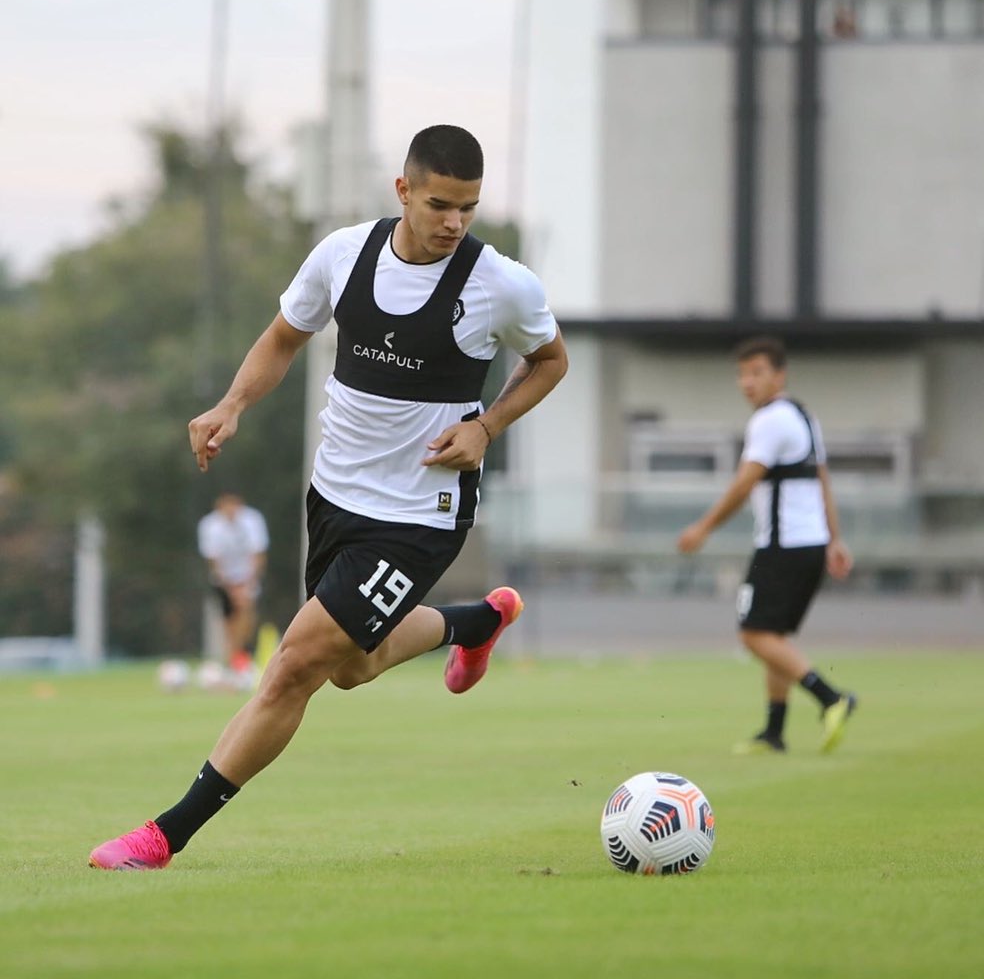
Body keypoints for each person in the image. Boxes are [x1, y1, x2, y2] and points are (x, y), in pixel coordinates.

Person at [89, 124, 568, 869]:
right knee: (350, 667)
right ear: (403, 190)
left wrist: (488, 426)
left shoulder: (501, 283)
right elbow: (284, 337)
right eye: (440, 204)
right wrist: (231, 405)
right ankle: (474, 623)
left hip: (420, 512)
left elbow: (550, 361)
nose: (453, 223)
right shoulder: (343, 256)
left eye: (468, 208)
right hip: (336, 496)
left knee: (296, 663)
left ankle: (163, 836)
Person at [677, 336, 856, 755]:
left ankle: (831, 697)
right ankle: (774, 732)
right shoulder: (804, 417)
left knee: (754, 635)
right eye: (742, 374)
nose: (747, 382)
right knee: (773, 634)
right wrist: (834, 538)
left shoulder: (769, 420)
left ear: (780, 374)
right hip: (808, 545)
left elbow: (744, 483)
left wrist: (703, 528)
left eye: (757, 372)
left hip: (784, 547)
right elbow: (822, 480)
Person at [197, 492, 269, 676]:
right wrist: (230, 588)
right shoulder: (209, 525)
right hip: (224, 580)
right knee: (229, 621)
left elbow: (258, 553)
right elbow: (213, 560)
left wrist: (247, 584)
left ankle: (237, 657)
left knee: (246, 611)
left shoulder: (252, 520)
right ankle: (236, 658)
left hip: (247, 577)